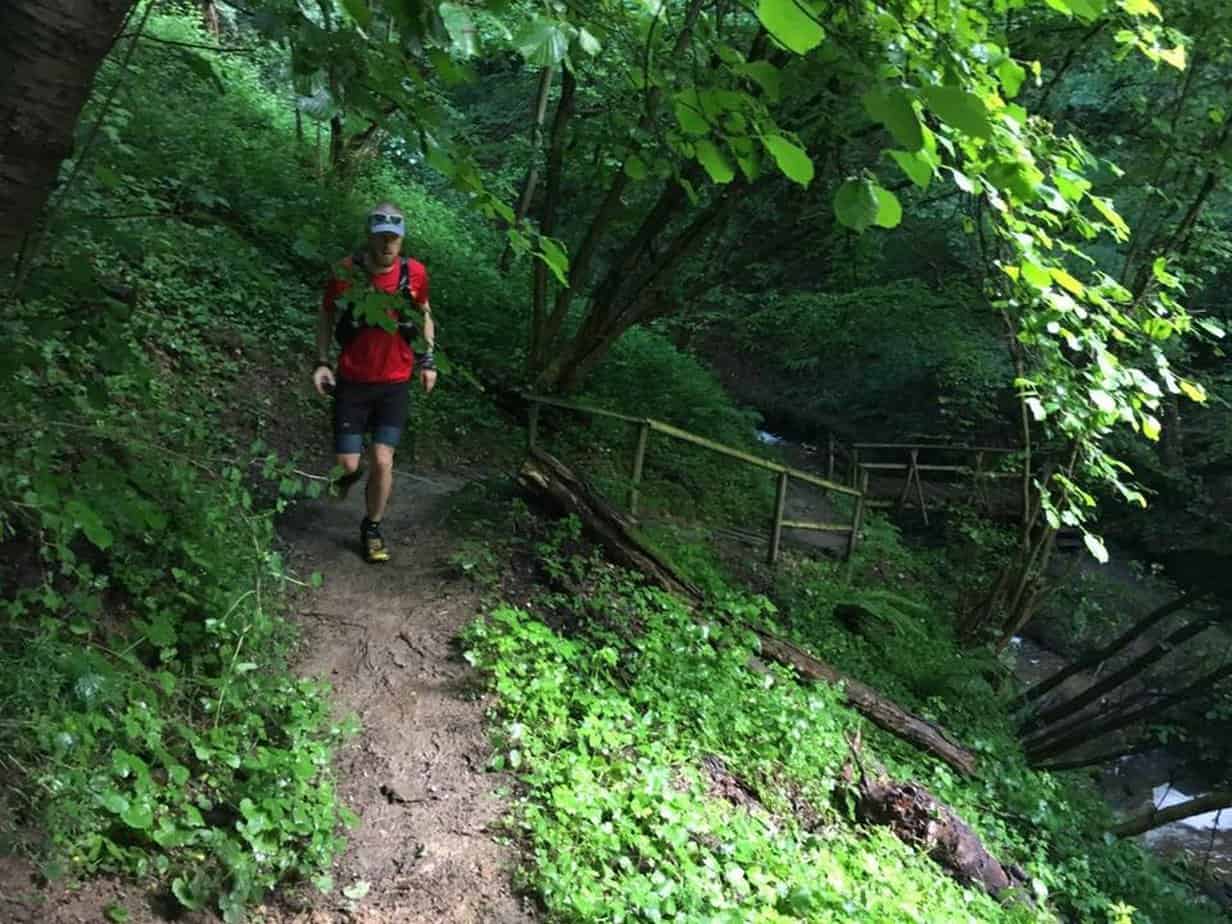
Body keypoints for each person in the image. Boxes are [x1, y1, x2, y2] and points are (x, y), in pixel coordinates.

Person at [312, 203, 437, 563]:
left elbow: (425, 313)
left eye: (394, 238)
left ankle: (372, 528)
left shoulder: (414, 273)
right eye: (382, 237)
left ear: (402, 239)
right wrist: (322, 362)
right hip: (353, 381)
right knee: (349, 466)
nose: (387, 244)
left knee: (383, 461)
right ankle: (349, 477)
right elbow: (326, 312)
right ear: (369, 236)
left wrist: (428, 359)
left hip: (394, 383)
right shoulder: (346, 272)